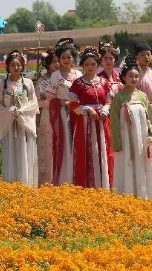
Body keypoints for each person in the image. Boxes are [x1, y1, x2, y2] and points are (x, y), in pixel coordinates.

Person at [110, 55, 152, 200]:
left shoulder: (143, 96)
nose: (134, 79)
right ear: (123, 77)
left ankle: (145, 196)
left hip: (142, 139)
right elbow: (114, 121)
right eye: (130, 76)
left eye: (136, 76)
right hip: (126, 140)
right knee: (129, 165)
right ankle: (129, 196)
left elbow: (148, 119)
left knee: (143, 164)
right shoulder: (119, 97)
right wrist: (117, 143)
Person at [69, 46, 113, 189]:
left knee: (104, 150)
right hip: (84, 123)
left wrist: (105, 109)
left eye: (93, 64)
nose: (90, 67)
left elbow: (109, 100)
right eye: (87, 64)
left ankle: (104, 184)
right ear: (82, 65)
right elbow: (72, 104)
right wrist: (87, 109)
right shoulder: (78, 83)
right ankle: (86, 186)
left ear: (97, 64)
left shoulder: (104, 82)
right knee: (86, 151)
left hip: (102, 121)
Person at [0, 50, 39, 187]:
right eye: (13, 65)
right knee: (11, 152)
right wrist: (9, 111)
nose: (16, 67)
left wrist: (22, 111)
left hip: (23, 124)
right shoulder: (3, 84)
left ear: (23, 66)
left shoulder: (28, 83)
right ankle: (11, 184)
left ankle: (26, 183)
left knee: (25, 152)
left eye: (18, 65)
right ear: (8, 66)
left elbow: (33, 103)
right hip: (9, 123)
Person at [49, 39, 83, 185]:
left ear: (73, 57)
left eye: (69, 57)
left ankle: (78, 176)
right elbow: (51, 98)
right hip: (63, 113)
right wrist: (63, 103)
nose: (66, 60)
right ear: (59, 59)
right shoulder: (56, 76)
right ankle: (65, 179)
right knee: (65, 144)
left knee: (77, 141)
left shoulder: (79, 74)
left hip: (78, 112)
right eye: (63, 57)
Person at [36, 50, 58, 185]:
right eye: (53, 61)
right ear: (48, 64)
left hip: (62, 116)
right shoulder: (43, 81)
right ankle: (46, 182)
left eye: (57, 61)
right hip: (47, 117)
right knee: (47, 151)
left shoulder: (62, 77)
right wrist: (53, 102)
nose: (56, 64)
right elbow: (37, 101)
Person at [134, 41, 152, 133]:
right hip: (141, 113)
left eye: (148, 54)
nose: (146, 57)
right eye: (142, 55)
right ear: (136, 57)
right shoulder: (134, 76)